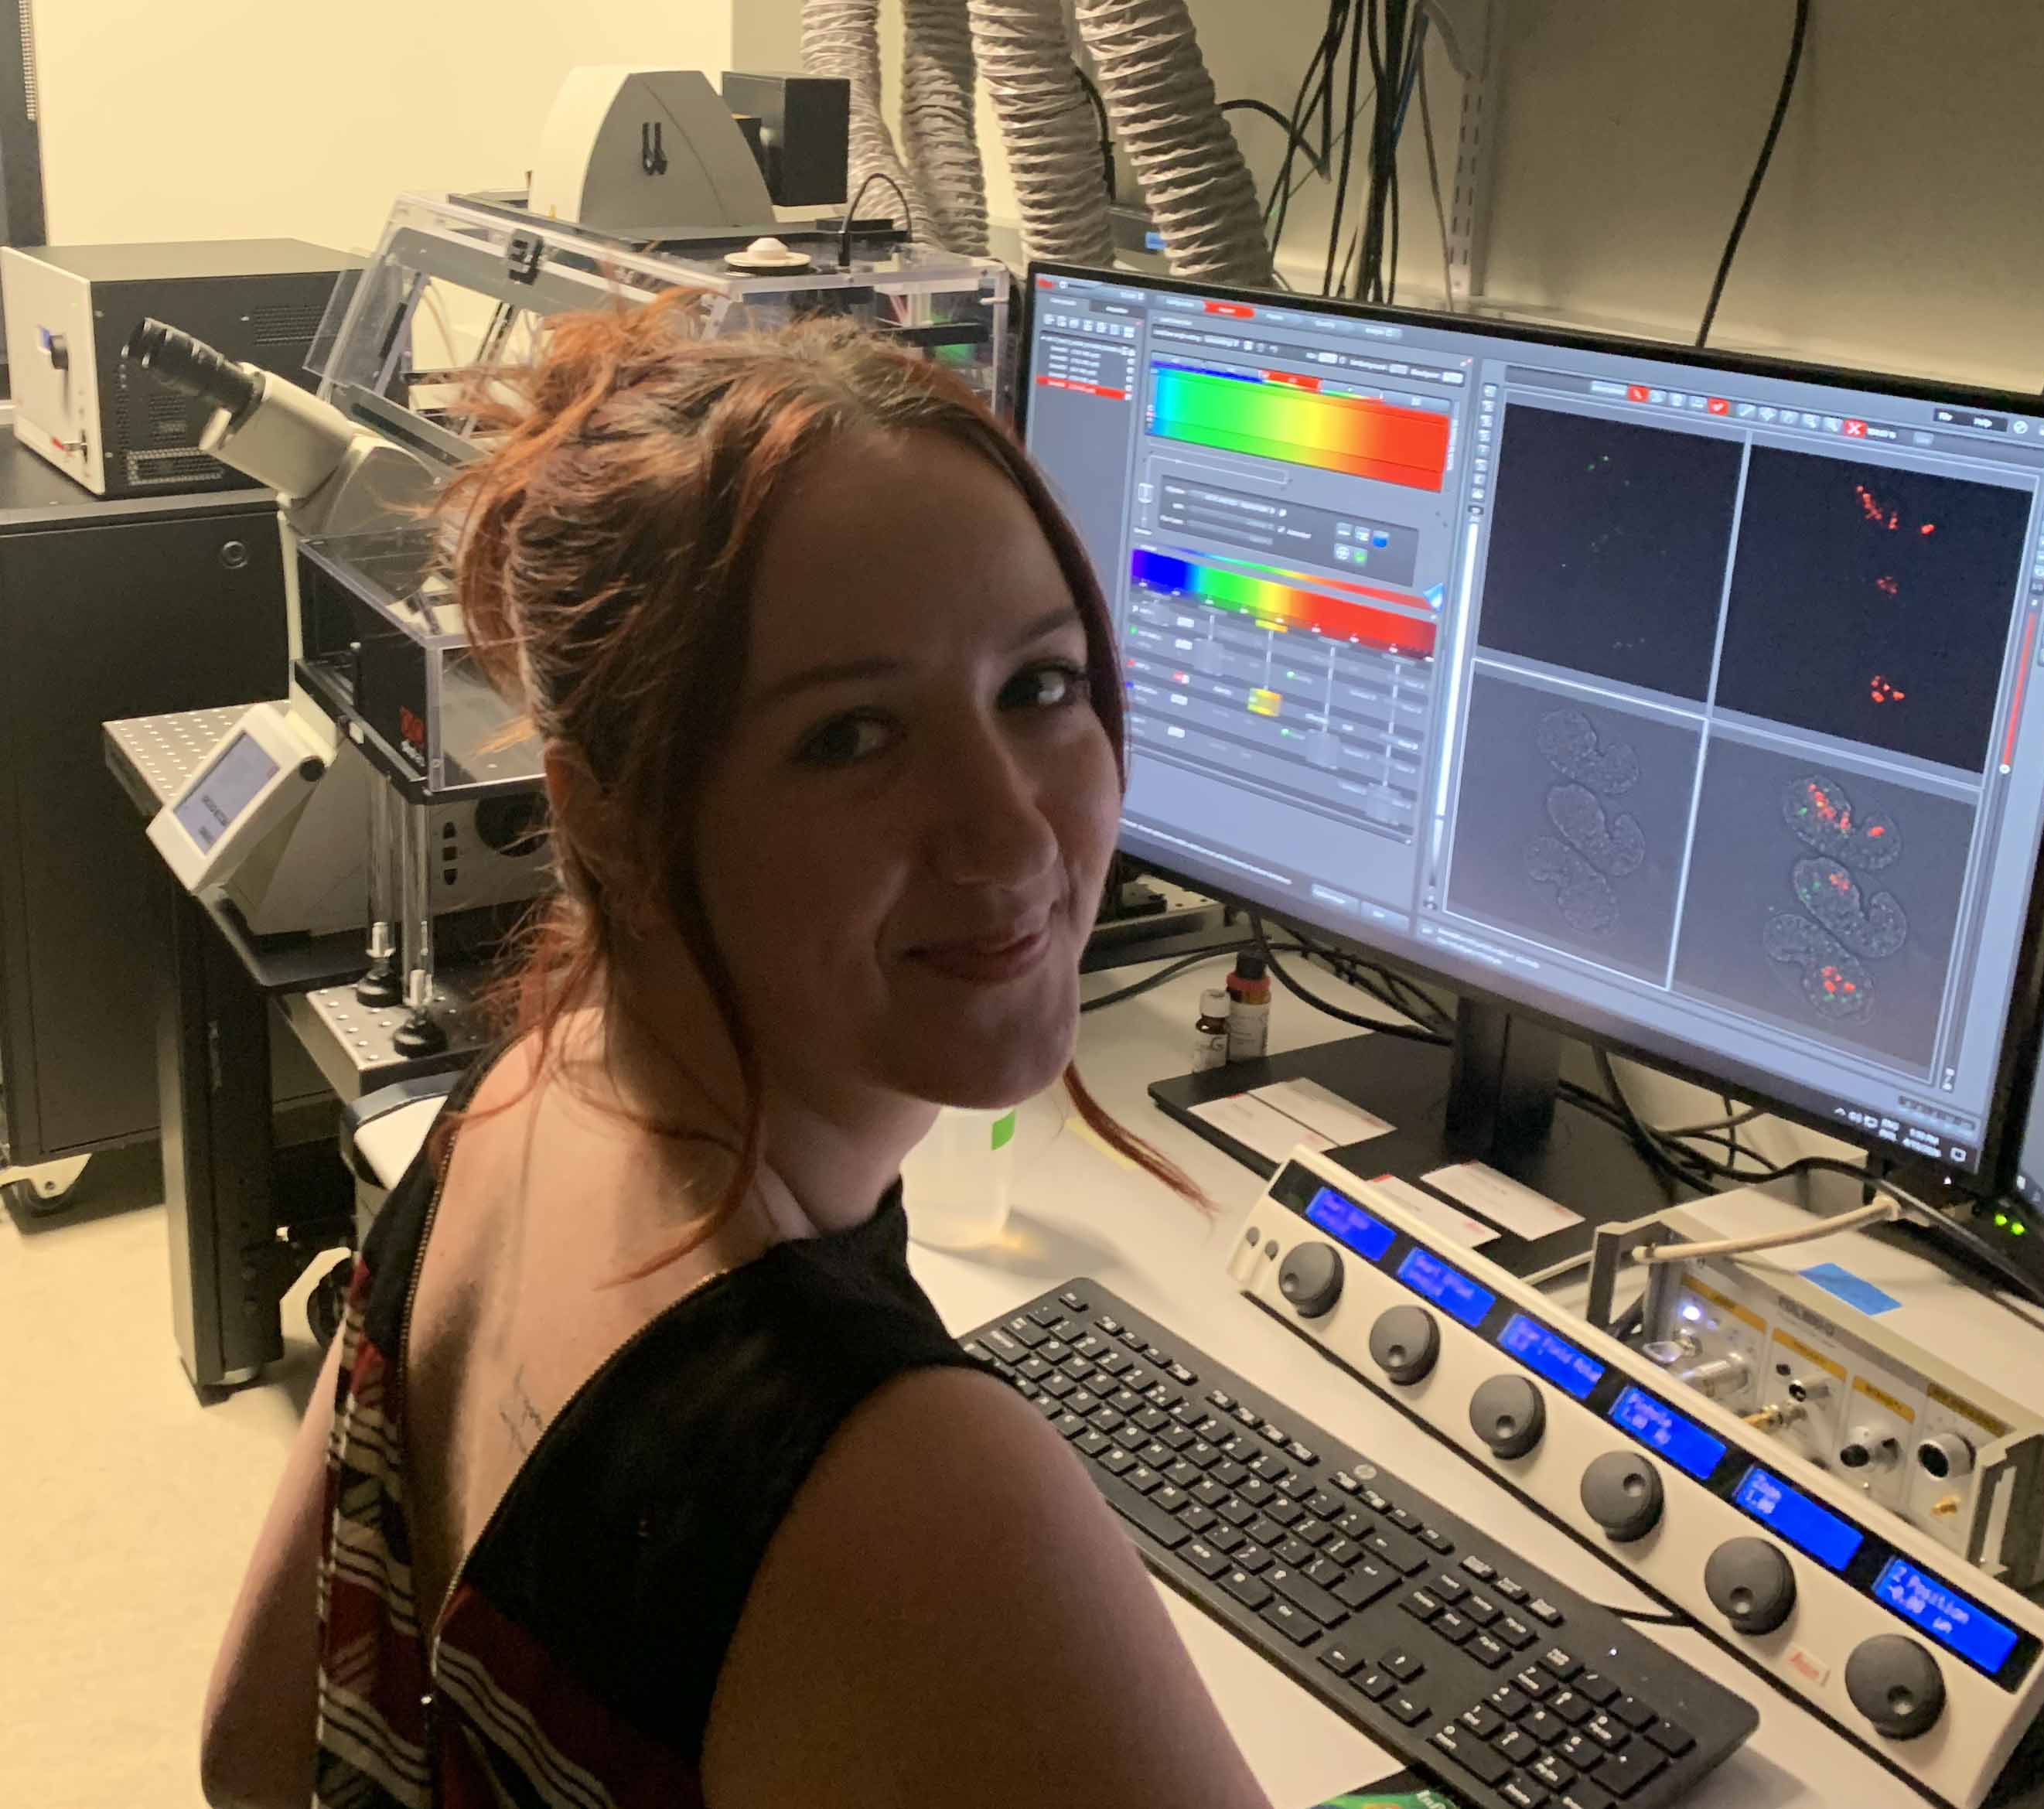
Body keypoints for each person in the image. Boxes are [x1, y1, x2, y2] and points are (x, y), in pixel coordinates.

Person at [199, 304, 1271, 1809]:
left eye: (1037, 686)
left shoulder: (512, 1098)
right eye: (850, 737)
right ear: (609, 818)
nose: (1012, 830)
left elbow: (251, 1751)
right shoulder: (917, 1498)